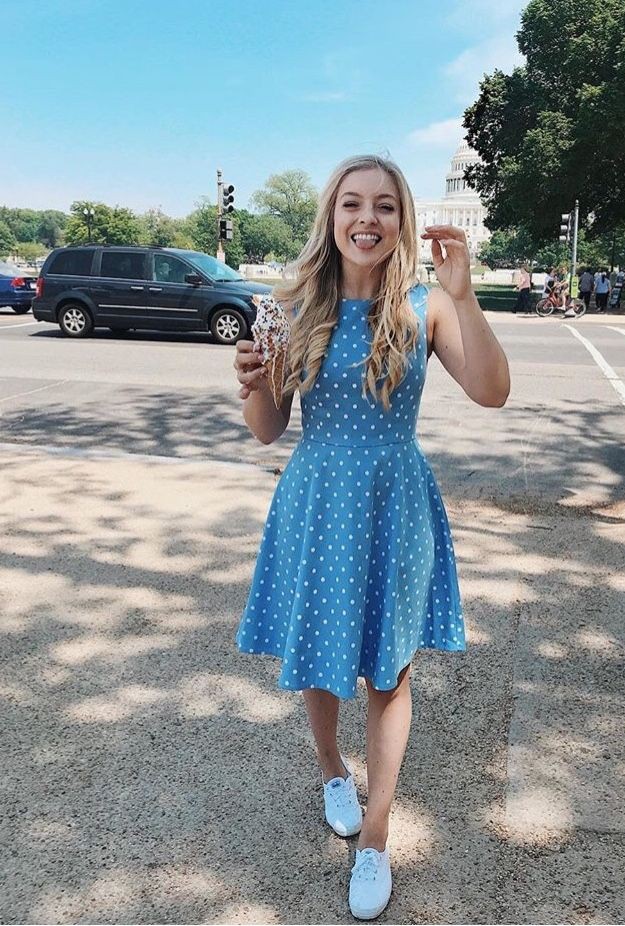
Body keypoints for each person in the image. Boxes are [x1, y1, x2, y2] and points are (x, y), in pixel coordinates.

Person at [233, 154, 510, 920]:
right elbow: (266, 432)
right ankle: (331, 769)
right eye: (352, 204)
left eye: (384, 206)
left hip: (393, 502)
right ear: (330, 217)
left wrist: (465, 297)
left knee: (388, 674)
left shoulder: (427, 306)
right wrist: (252, 384)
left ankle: (377, 839)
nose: (367, 219)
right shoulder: (289, 309)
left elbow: (491, 392)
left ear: (403, 221)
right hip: (317, 496)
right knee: (322, 655)